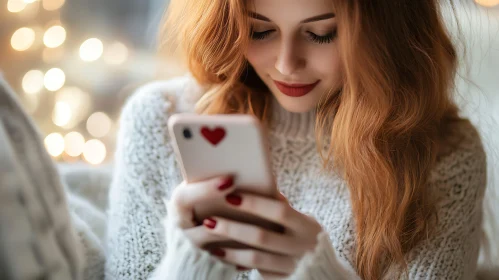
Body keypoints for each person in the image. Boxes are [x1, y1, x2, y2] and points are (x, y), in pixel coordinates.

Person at [105, 0, 487, 279]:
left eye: (321, 34)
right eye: (260, 30)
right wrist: (194, 261)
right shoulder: (159, 118)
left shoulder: (445, 155)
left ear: (386, 36)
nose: (287, 64)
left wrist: (318, 272)